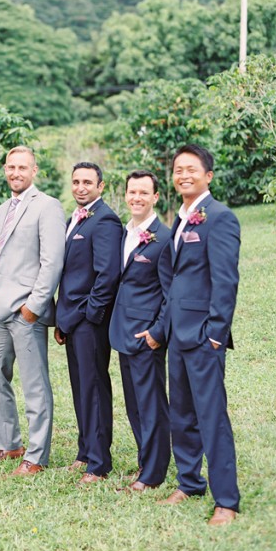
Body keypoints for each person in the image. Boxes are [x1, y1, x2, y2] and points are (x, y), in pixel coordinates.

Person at [151, 144, 240, 526]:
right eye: (177, 169)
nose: (183, 174)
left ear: (208, 175)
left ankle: (226, 501)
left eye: (191, 168)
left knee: (211, 416)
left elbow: (226, 280)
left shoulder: (219, 217)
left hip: (204, 336)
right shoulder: (182, 218)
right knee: (182, 413)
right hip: (177, 334)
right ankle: (189, 481)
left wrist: (216, 334)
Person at [0, 146, 65, 476]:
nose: (16, 173)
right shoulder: (2, 210)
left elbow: (52, 261)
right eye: (11, 167)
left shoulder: (47, 206)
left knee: (34, 384)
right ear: (5, 169)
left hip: (27, 309)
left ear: (34, 170)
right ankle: (9, 444)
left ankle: (36, 456)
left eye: (22, 167)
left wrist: (34, 306)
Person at [55, 162, 123, 485]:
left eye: (87, 182)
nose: (81, 187)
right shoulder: (75, 219)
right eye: (76, 182)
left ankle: (98, 464)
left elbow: (108, 274)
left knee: (94, 389)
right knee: (81, 389)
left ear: (101, 186)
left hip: (90, 322)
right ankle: (84, 453)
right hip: (71, 320)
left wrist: (90, 316)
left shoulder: (105, 220)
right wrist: (62, 319)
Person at [108, 170, 172, 493]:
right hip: (123, 333)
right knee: (134, 405)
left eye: (143, 192)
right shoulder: (124, 233)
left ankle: (154, 474)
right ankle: (145, 461)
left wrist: (156, 332)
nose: (136, 198)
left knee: (151, 405)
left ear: (155, 197)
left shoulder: (164, 239)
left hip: (147, 338)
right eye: (132, 192)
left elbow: (171, 292)